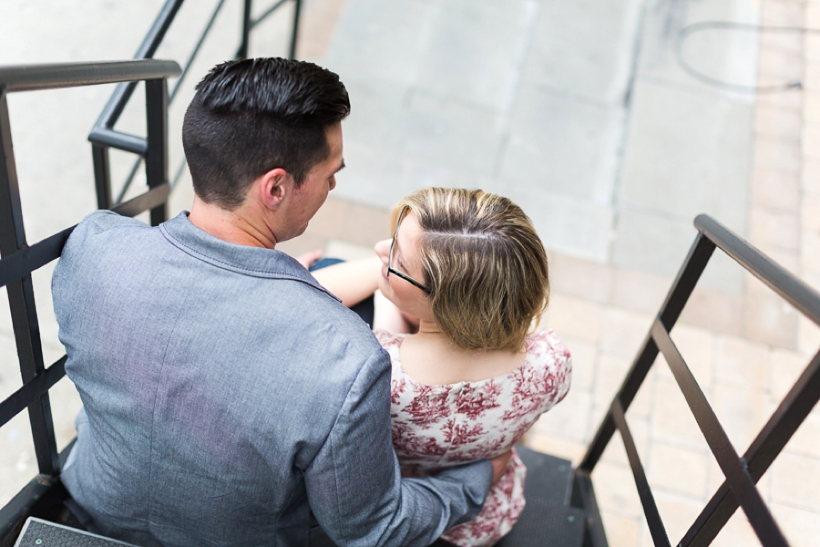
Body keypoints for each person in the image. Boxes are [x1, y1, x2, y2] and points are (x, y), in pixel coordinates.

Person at [52, 58, 503, 547]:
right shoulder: (347, 362)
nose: (334, 188)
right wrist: (475, 479)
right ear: (276, 187)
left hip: (95, 504)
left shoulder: (91, 248)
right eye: (330, 175)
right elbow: (375, 528)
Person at [312, 188, 572, 547]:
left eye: (396, 259)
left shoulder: (375, 372)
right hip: (485, 519)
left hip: (410, 507)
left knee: (326, 268)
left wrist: (381, 280)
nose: (378, 249)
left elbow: (304, 297)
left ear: (445, 303)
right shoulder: (552, 362)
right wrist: (398, 278)